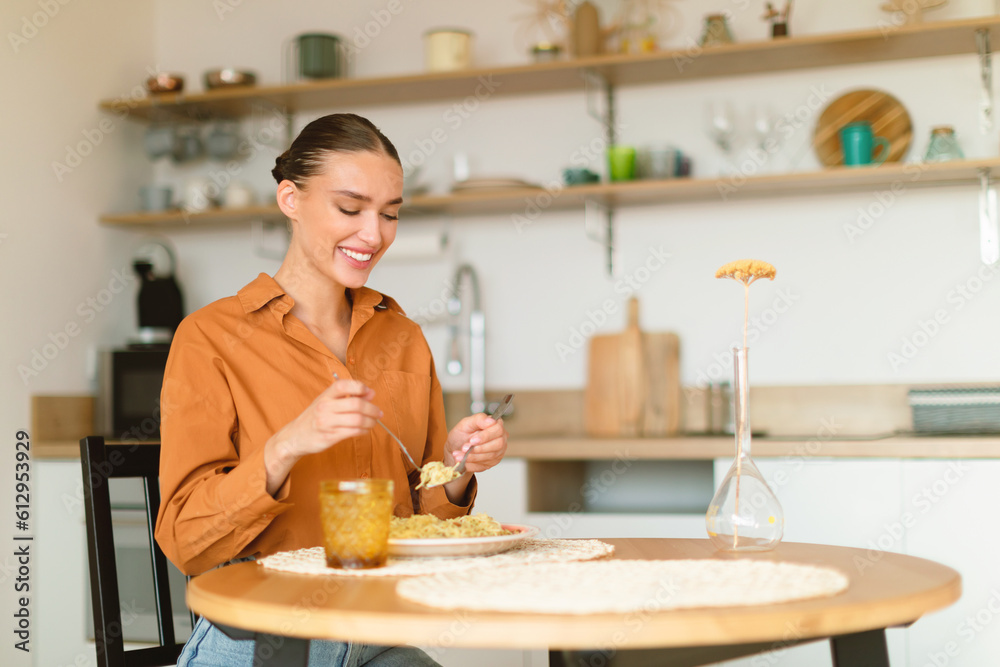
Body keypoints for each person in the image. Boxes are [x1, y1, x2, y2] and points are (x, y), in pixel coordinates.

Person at [154, 113, 508, 666]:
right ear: (290, 199)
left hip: (376, 633)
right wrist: (288, 444)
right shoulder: (210, 338)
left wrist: (458, 469)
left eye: (389, 214)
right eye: (350, 209)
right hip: (263, 636)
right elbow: (185, 541)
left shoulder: (404, 338)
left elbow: (426, 526)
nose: (374, 234)